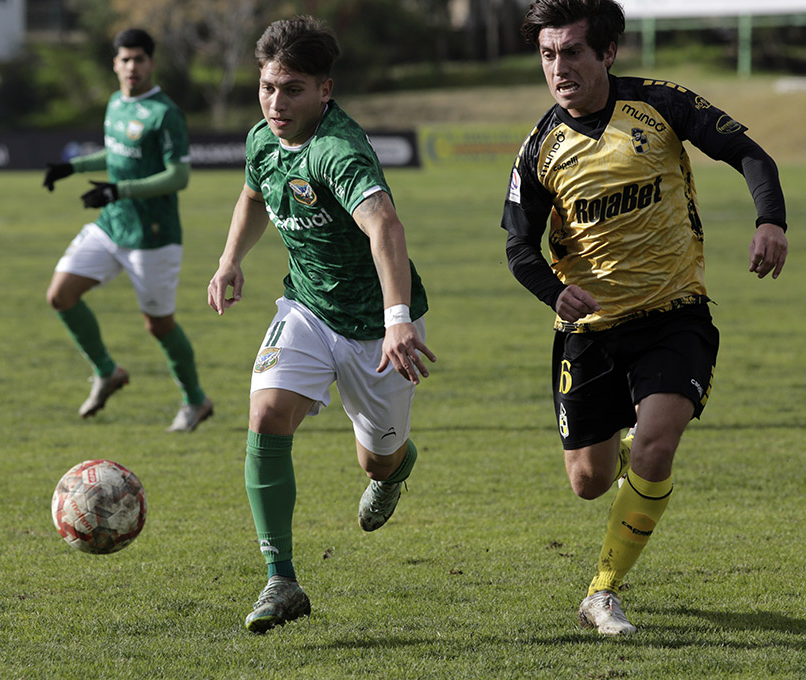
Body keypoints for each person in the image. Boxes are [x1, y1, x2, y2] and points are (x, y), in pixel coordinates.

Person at [502, 0, 788, 635]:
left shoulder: (659, 104)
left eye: (572, 51)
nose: (558, 67)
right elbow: (518, 246)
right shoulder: (539, 148)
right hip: (590, 333)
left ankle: (602, 591)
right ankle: (623, 445)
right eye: (548, 54)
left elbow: (751, 155)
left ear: (607, 52)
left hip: (674, 313)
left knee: (658, 445)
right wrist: (556, 293)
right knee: (589, 482)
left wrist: (770, 219)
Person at [207, 15, 436, 634]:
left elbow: (384, 223)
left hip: (376, 328)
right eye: (267, 87)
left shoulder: (338, 150)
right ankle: (281, 578)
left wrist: (396, 321)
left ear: (325, 90)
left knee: (377, 463)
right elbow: (254, 195)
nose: (276, 103)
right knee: (264, 414)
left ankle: (397, 467)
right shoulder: (263, 138)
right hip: (306, 308)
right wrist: (231, 261)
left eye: (293, 89)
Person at [42, 28, 213, 432]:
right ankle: (107, 372)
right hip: (111, 227)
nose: (132, 66)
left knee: (158, 325)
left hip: (153, 236)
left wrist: (119, 189)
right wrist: (74, 167)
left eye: (139, 59)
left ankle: (195, 401)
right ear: (115, 64)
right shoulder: (117, 103)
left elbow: (179, 176)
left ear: (151, 63)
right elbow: (117, 153)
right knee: (60, 295)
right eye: (125, 59)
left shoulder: (164, 113)